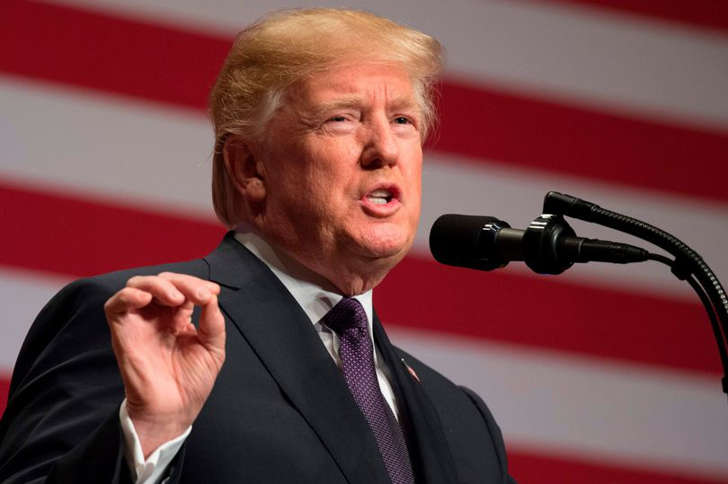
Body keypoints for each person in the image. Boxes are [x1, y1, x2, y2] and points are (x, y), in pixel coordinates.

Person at [0, 8, 516, 484]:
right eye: (342, 117)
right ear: (250, 167)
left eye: (403, 120)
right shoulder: (151, 329)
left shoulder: (462, 421)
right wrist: (149, 436)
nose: (385, 149)